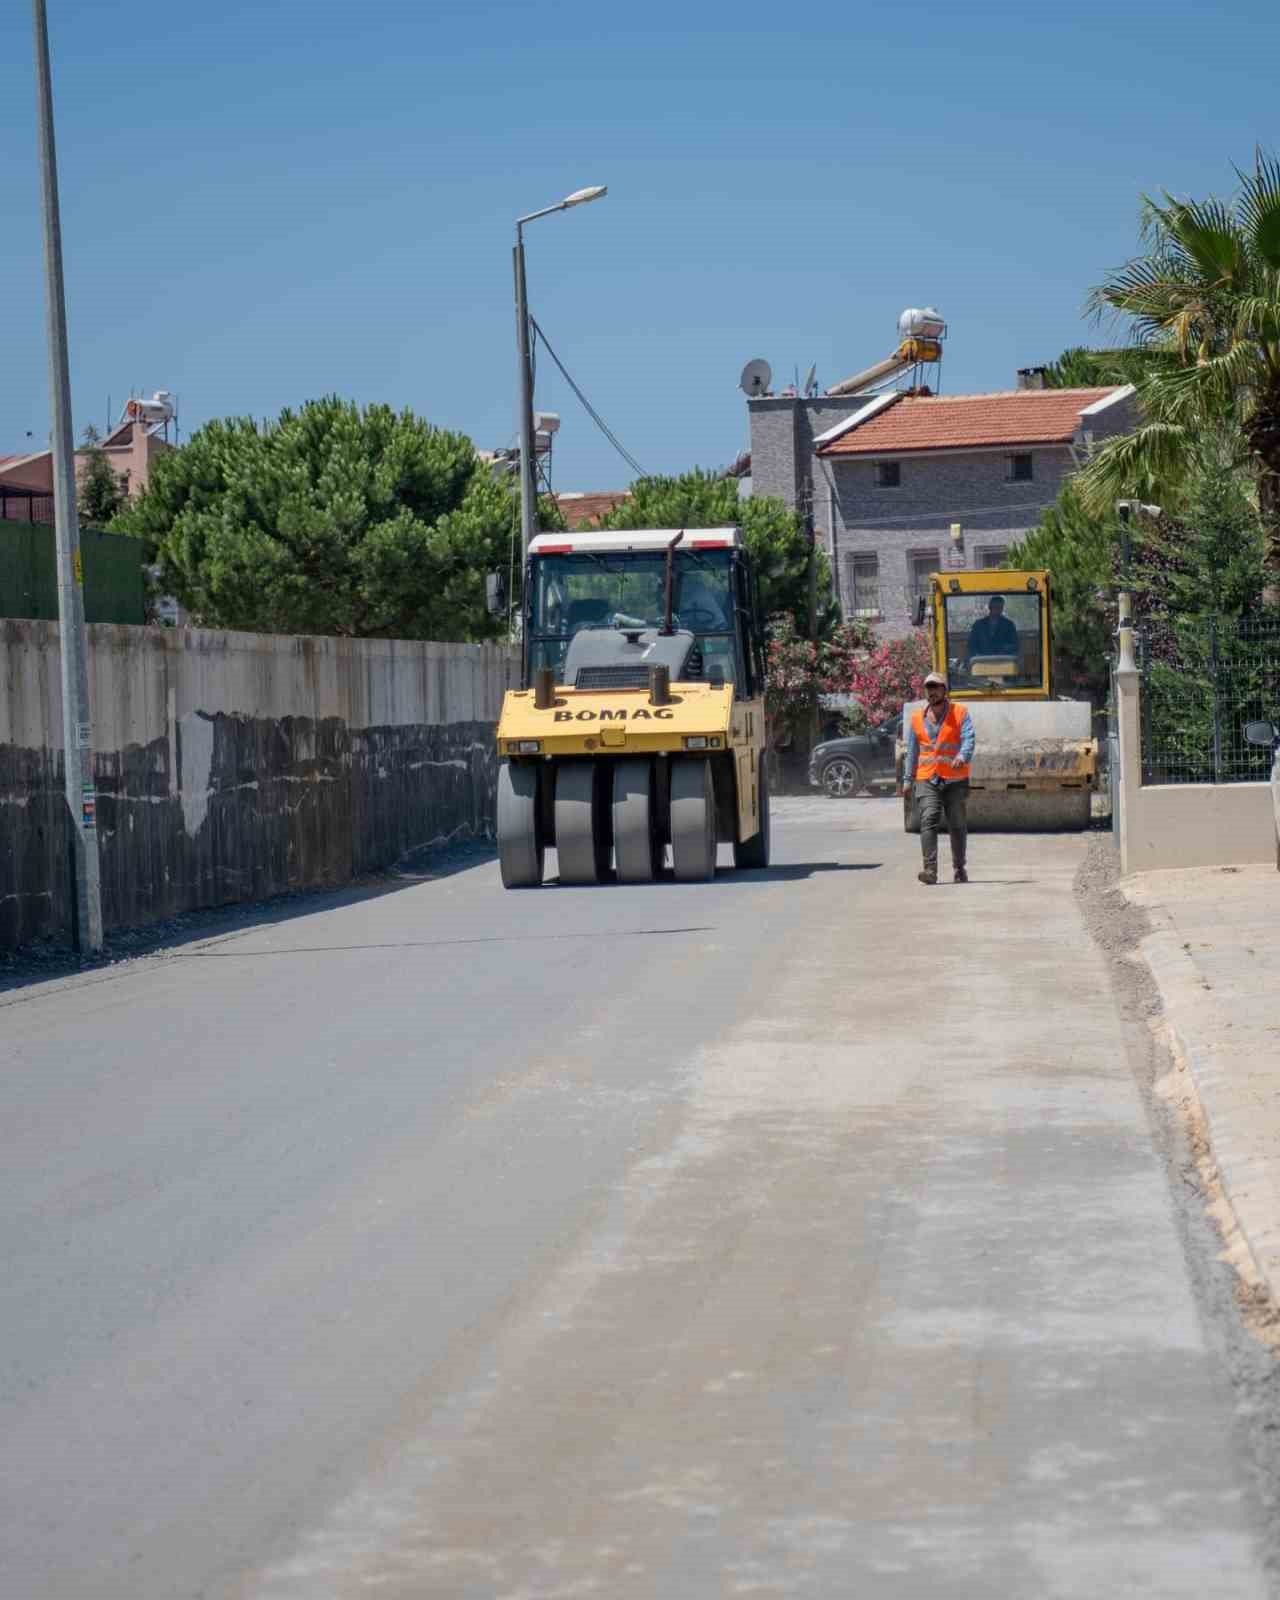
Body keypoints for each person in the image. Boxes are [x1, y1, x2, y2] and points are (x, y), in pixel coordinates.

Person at [900, 671, 975, 885]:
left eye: (936, 687)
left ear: (944, 690)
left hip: (955, 779)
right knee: (929, 819)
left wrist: (962, 755)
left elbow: (969, 737)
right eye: (928, 688)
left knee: (957, 824)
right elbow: (912, 752)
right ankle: (930, 871)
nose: (931, 691)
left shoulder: (960, 713)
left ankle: (959, 868)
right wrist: (907, 780)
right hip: (927, 778)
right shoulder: (916, 718)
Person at [965, 595, 1019, 662]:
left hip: (1003, 661)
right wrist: (976, 655)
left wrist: (1003, 649)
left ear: (1002, 608)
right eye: (995, 607)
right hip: (981, 661)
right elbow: (971, 645)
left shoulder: (1009, 625)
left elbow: (1014, 644)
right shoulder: (978, 625)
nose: (997, 610)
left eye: (1000, 607)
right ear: (990, 607)